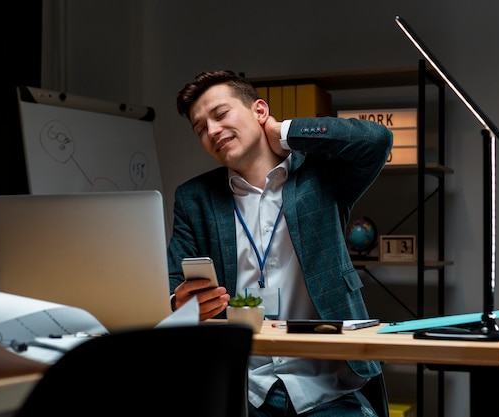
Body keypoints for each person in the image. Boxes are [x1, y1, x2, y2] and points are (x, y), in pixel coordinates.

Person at [167, 70, 393, 417]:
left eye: (220, 114)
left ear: (259, 111)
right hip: (242, 389)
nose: (211, 131)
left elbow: (377, 140)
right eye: (200, 128)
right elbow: (172, 282)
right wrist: (179, 301)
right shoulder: (194, 198)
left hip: (329, 387)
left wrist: (285, 133)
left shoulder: (322, 176)